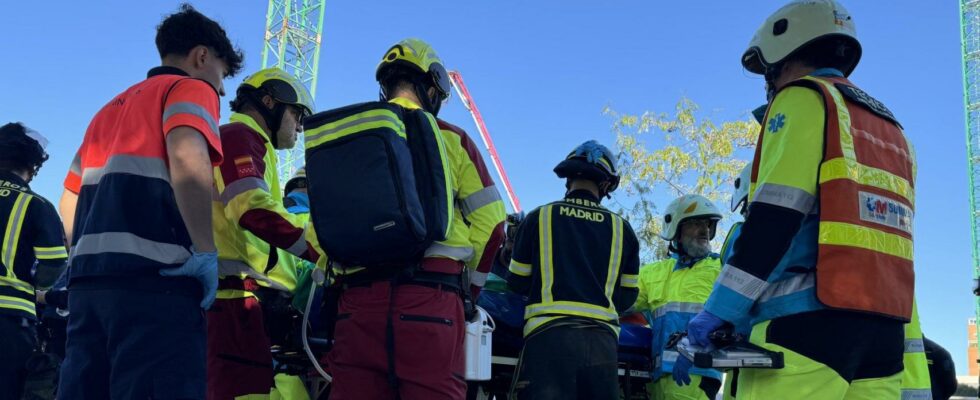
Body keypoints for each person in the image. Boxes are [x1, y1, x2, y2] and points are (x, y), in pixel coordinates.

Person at [685, 1, 916, 399]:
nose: (770, 86)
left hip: (804, 329)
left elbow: (774, 221)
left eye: (769, 74)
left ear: (784, 56)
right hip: (885, 335)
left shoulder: (804, 98)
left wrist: (721, 312)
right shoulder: (894, 132)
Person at [57, 5, 243, 399]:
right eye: (223, 75)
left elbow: (70, 196)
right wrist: (206, 252)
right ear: (202, 56)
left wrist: (80, 260)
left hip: (88, 290)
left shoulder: (107, 110)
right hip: (156, 287)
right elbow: (186, 155)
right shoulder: (191, 89)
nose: (222, 89)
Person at [321, 38, 506, 400]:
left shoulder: (349, 142)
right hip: (430, 300)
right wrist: (470, 291)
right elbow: (493, 223)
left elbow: (323, 228)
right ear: (432, 86)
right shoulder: (453, 139)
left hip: (357, 307)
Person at [208, 67, 320, 399]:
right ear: (270, 102)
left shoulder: (251, 145)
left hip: (242, 301)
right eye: (297, 114)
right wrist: (320, 249)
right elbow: (252, 208)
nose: (299, 126)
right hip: (234, 301)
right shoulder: (241, 135)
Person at [506, 140, 640, 400]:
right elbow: (627, 298)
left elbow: (517, 282)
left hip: (547, 338)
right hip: (602, 345)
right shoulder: (623, 229)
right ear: (605, 185)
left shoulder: (538, 217)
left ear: (568, 180)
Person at [632, 194, 723, 400]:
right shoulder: (651, 273)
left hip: (698, 372)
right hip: (657, 377)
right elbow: (619, 302)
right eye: (695, 223)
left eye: (707, 224)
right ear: (676, 232)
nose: (705, 230)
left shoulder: (721, 268)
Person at [0, 123, 67, 400]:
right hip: (11, 319)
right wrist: (39, 287)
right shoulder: (35, 204)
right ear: (33, 166)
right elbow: (54, 264)